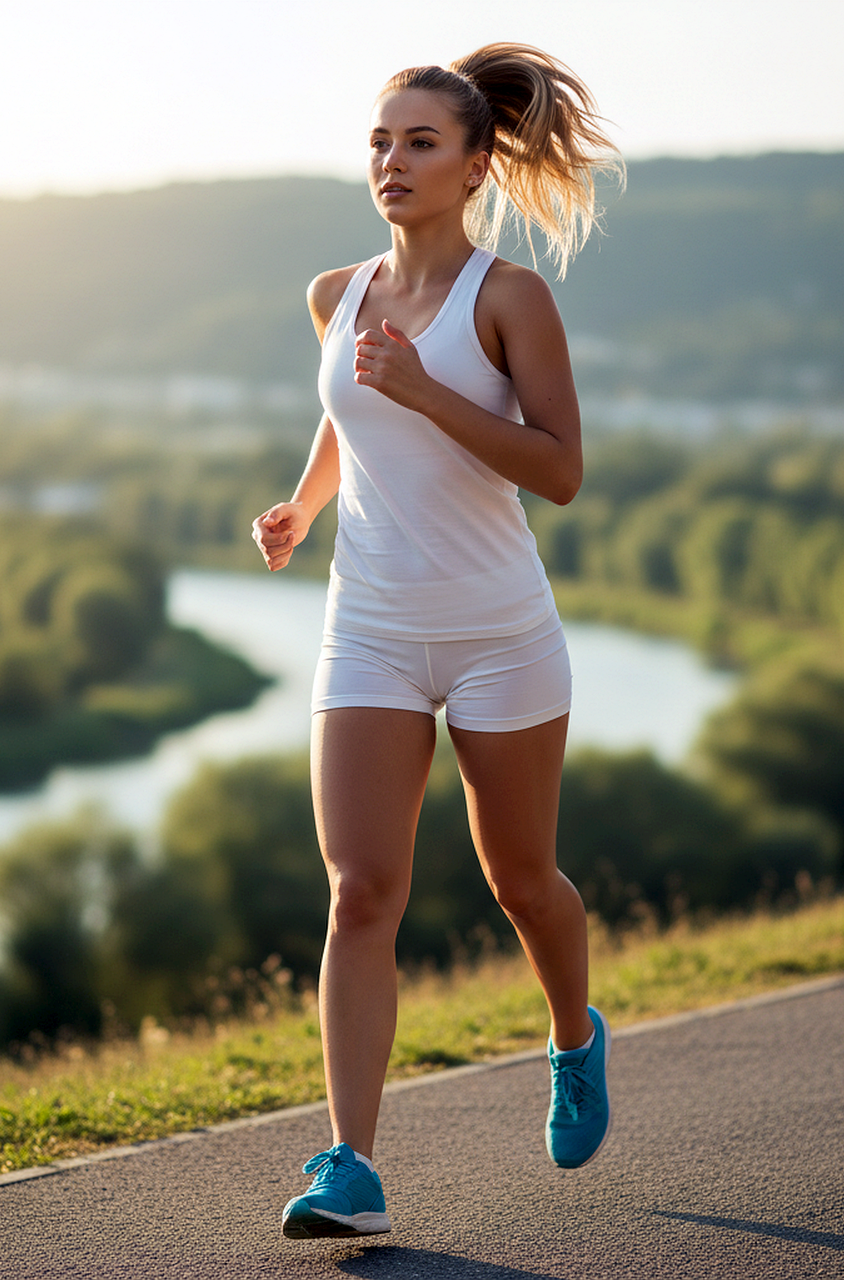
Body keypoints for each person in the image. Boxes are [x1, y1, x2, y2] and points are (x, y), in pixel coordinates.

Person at [251, 42, 623, 1240]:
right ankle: (349, 1163)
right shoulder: (332, 292)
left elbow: (558, 471)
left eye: (419, 142)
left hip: (498, 635)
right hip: (367, 629)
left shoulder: (509, 298)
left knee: (521, 881)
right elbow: (346, 412)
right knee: (360, 891)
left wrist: (425, 393)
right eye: (378, 141)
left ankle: (572, 1034)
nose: (391, 161)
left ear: (473, 167)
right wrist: (303, 504)